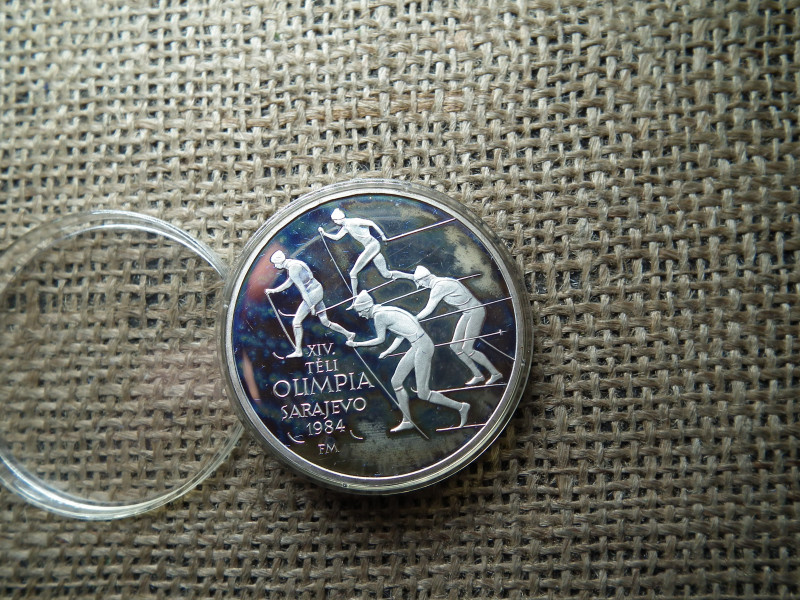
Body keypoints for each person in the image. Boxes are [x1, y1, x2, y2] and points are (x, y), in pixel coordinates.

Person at [346, 291, 469, 432]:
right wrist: (388, 351)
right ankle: (407, 421)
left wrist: (356, 344)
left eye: (360, 311)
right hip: (418, 345)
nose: (360, 315)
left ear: (366, 308)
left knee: (423, 393)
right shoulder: (387, 310)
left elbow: (380, 339)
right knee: (396, 382)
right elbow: (401, 334)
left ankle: (461, 407)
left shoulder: (379, 316)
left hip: (422, 347)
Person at [413, 266, 502, 386]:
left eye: (421, 283)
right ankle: (478, 375)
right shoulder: (441, 281)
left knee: (467, 349)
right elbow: (412, 277)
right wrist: (398, 275)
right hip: (467, 313)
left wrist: (414, 319)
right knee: (455, 346)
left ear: (425, 279)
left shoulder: (439, 287)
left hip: (475, 312)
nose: (422, 286)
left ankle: (495, 373)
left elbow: (429, 309)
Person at [264, 251, 354, 358]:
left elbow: (303, 290)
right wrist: (273, 291)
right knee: (325, 321)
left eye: (275, 263)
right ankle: (349, 334)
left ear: (280, 262)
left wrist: (311, 307)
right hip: (317, 290)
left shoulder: (293, 269)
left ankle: (298, 351)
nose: (275, 266)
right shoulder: (294, 264)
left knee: (296, 322)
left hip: (312, 294)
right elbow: (288, 283)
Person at [318, 208, 411, 296]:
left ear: (339, 218)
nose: (334, 222)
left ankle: (355, 298)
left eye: (335, 220)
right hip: (370, 247)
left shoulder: (354, 222)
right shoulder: (346, 227)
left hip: (372, 246)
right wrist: (324, 233)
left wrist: (383, 236)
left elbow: (371, 223)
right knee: (386, 274)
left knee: (353, 273)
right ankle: (413, 277)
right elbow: (337, 237)